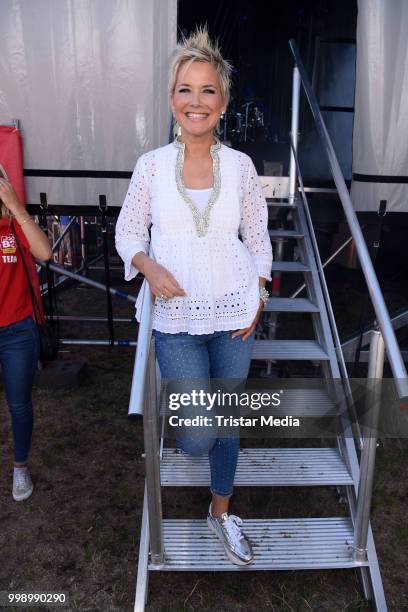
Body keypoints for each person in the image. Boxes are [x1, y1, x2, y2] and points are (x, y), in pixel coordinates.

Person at [115, 26, 272, 565]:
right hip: (175, 317)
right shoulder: (151, 168)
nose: (196, 101)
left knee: (225, 420)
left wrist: (260, 293)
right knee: (200, 435)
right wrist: (147, 264)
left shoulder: (243, 168)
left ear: (223, 102)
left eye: (208, 90)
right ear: (171, 99)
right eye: (186, 89)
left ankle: (222, 511)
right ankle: (183, 420)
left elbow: (259, 238)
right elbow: (128, 233)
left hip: (234, 313)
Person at [0, 175, 52, 501]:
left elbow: (45, 252)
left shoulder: (11, 223)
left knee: (18, 403)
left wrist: (16, 206)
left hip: (17, 330)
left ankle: (20, 467)